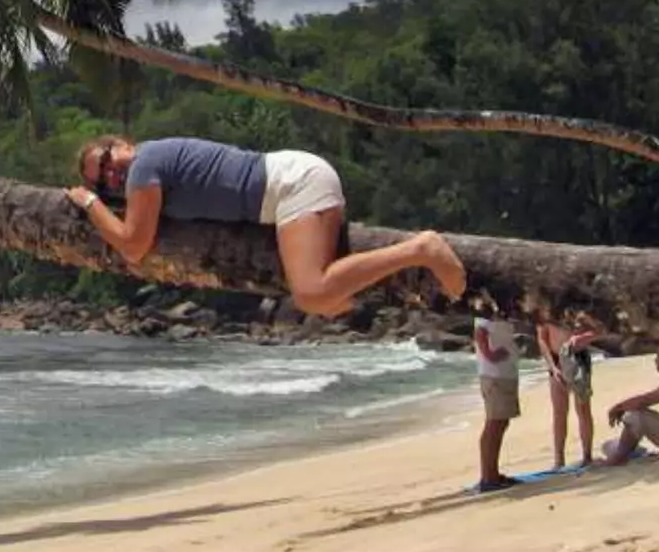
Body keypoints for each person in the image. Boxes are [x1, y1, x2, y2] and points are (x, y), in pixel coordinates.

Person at [65, 135, 466, 317]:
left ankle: (421, 249)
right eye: (102, 181)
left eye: (106, 160)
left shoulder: (145, 164)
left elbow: (134, 245)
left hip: (291, 185)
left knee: (311, 293)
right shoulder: (152, 171)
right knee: (326, 301)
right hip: (290, 184)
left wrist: (91, 203)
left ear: (123, 144)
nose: (110, 175)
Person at [537, 320, 597, 471]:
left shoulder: (573, 311)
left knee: (583, 409)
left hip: (578, 357)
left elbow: (596, 330)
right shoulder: (545, 313)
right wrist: (552, 366)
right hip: (556, 360)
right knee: (559, 412)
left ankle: (587, 456)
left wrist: (581, 338)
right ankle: (559, 460)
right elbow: (542, 339)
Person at [474, 314, 521, 494]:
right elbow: (480, 331)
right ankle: (488, 477)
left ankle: (492, 474)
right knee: (494, 424)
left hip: (503, 374)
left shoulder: (500, 314)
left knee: (501, 423)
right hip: (495, 376)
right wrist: (490, 355)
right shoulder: (485, 313)